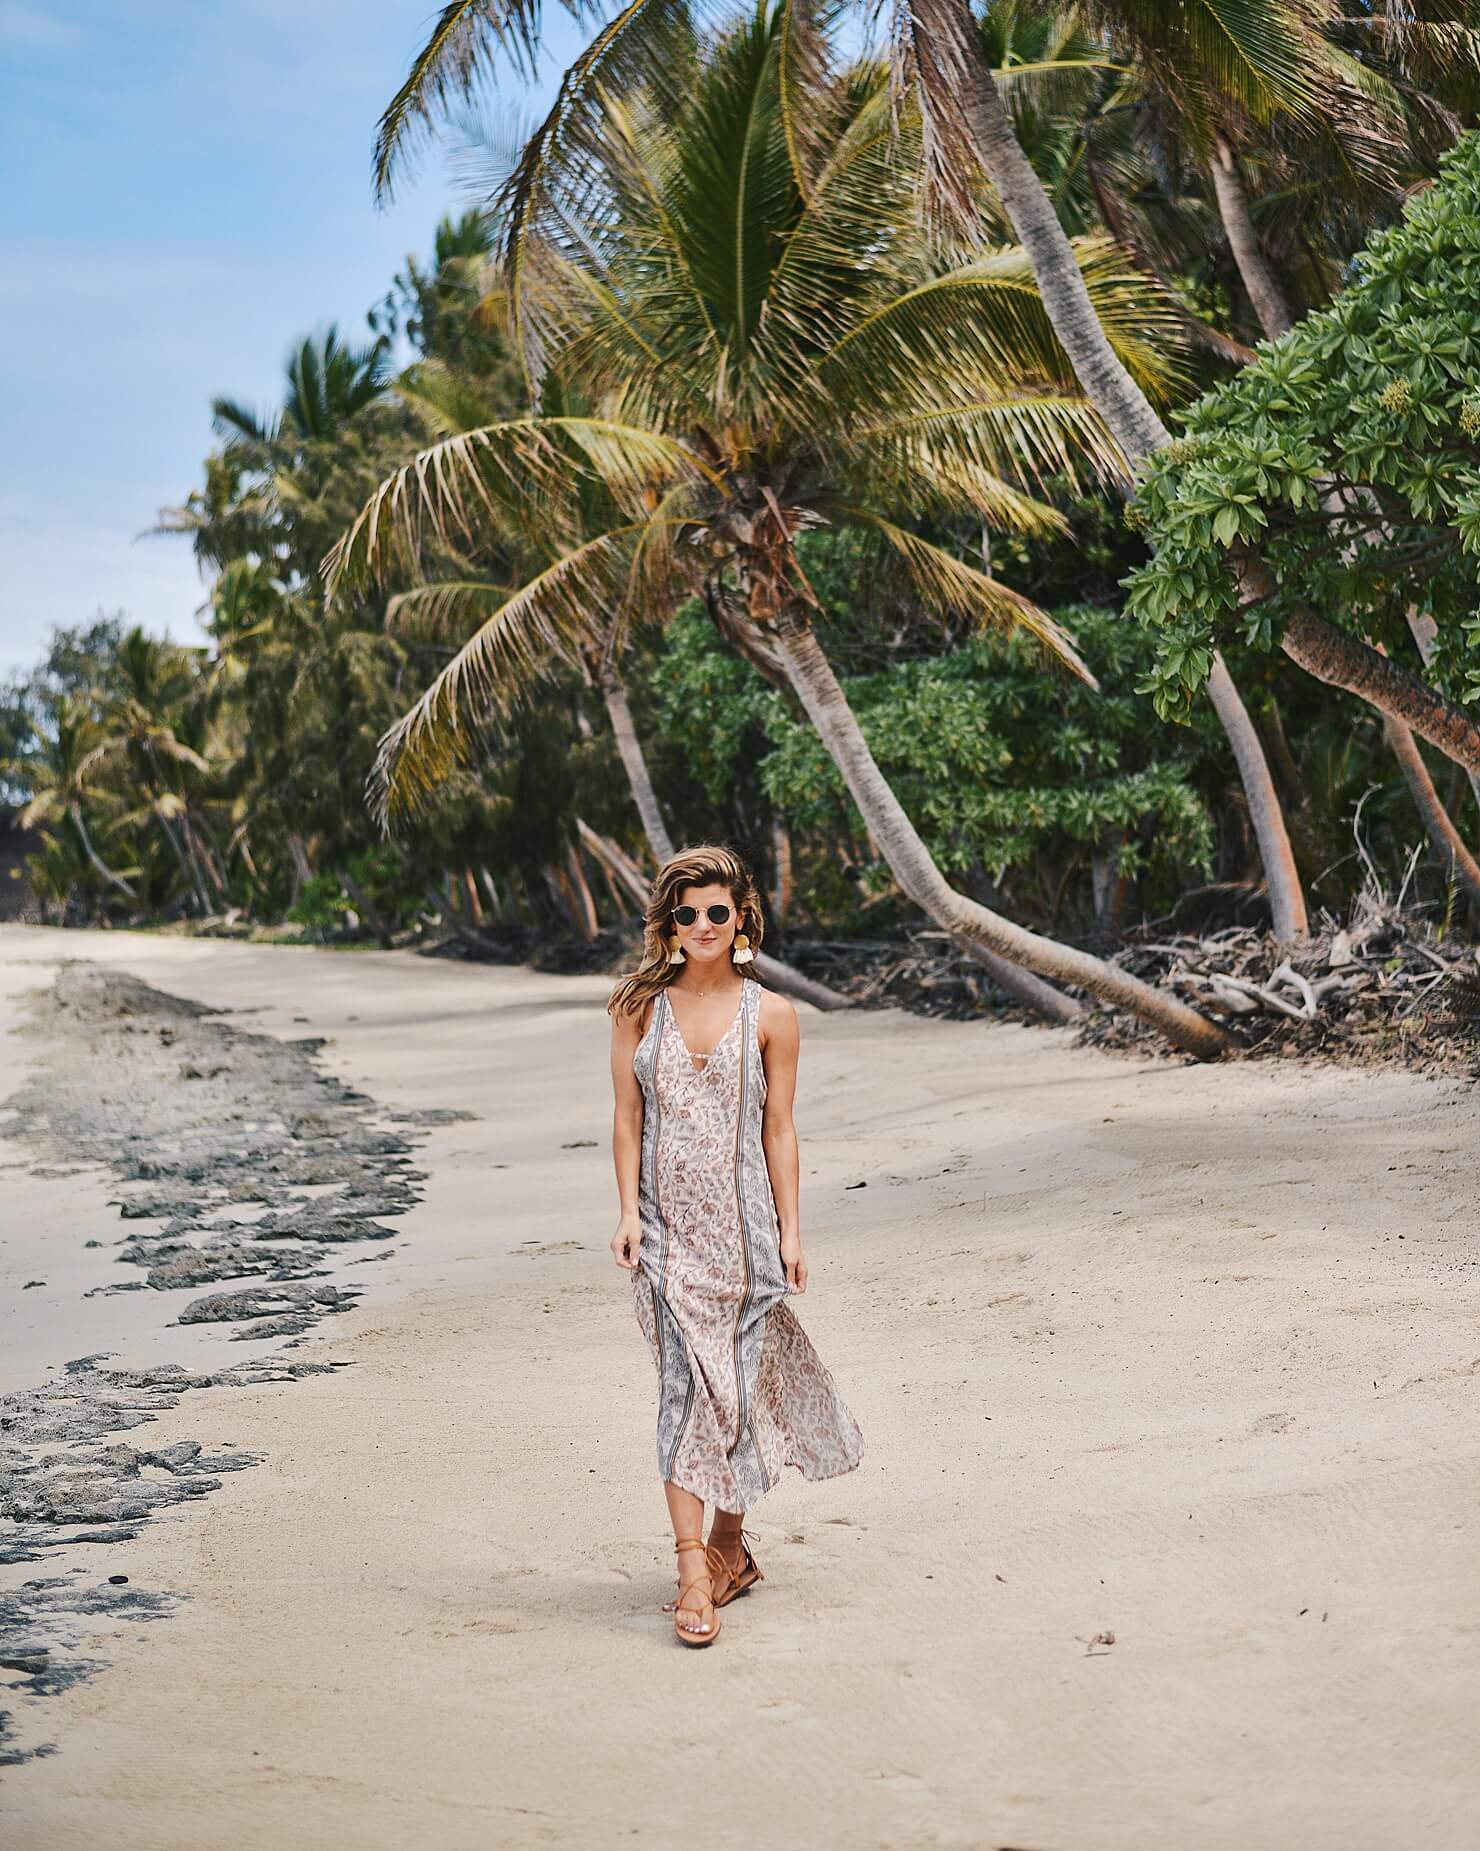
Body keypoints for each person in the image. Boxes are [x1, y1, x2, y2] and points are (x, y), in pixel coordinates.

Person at [608, 844, 864, 1647]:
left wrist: (791, 1229)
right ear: (670, 922)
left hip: (745, 1239)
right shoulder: (636, 1009)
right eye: (687, 913)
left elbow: (779, 1128)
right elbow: (626, 1120)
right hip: (665, 1238)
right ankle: (693, 1572)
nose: (704, 925)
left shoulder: (774, 1015)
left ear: (741, 917)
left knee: (739, 1397)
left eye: (718, 911)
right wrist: (626, 1214)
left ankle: (729, 1544)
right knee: (684, 1393)